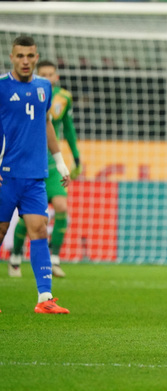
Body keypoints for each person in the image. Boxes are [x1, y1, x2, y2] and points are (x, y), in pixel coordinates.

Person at [0, 36, 71, 314]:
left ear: (37, 56)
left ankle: (45, 299)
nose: (26, 61)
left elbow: (47, 123)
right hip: (6, 176)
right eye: (20, 56)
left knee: (39, 229)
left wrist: (60, 162)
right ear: (12, 57)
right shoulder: (2, 87)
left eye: (30, 56)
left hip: (35, 176)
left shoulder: (44, 87)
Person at [9, 60, 82, 279]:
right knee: (30, 217)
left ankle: (55, 258)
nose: (48, 77)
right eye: (44, 74)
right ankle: (15, 255)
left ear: (56, 77)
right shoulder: (24, 93)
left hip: (52, 162)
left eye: (51, 74)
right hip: (30, 161)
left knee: (61, 205)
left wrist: (76, 158)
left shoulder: (63, 98)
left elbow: (67, 129)